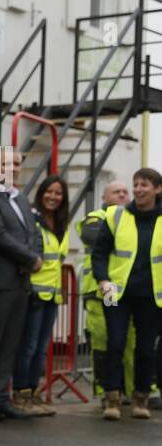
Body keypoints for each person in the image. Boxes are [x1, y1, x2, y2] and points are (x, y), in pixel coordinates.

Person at [0, 150, 42, 421]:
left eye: (15, 164)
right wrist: (29, 257)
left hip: (21, 281)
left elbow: (33, 234)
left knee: (9, 343)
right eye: (6, 163)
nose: (12, 168)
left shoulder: (21, 198)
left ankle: (1, 396)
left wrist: (35, 258)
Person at [93, 167, 162, 420]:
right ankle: (112, 399)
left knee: (145, 349)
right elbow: (99, 252)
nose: (138, 189)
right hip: (115, 292)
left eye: (145, 185)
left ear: (157, 189)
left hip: (152, 295)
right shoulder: (117, 216)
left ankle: (140, 399)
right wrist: (102, 279)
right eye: (137, 184)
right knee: (115, 344)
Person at [12, 175, 69, 416]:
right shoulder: (33, 219)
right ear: (41, 193)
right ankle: (20, 395)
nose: (53, 197)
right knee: (28, 346)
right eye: (49, 192)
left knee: (40, 348)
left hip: (52, 296)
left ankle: (33, 394)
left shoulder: (61, 224)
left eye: (58, 193)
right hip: (33, 293)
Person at [78, 180, 133, 402]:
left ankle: (130, 391)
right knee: (104, 340)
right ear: (104, 198)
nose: (122, 195)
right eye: (116, 192)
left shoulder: (133, 219)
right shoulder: (95, 218)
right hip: (103, 291)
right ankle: (106, 392)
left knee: (129, 341)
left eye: (124, 192)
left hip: (126, 291)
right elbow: (94, 236)